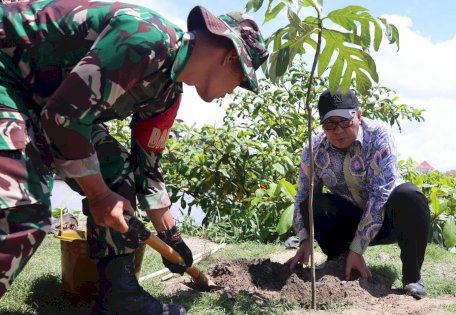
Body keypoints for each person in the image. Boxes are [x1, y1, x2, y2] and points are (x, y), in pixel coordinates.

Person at [0, 0, 268, 313]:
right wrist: (99, 196)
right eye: (242, 80)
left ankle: (119, 297)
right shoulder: (146, 38)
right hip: (10, 77)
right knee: (24, 210)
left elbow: (147, 169)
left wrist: (172, 239)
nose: (235, 90)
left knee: (118, 170)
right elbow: (63, 118)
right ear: (230, 56)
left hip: (46, 103)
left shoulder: (167, 95)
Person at [287, 89, 431, 299]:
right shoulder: (314, 147)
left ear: (359, 115)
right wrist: (305, 238)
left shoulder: (378, 135)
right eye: (330, 124)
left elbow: (381, 195)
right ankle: (340, 259)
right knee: (311, 203)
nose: (338, 130)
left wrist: (358, 248)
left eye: (345, 121)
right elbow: (303, 195)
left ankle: (412, 277)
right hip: (350, 218)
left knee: (410, 196)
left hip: (388, 219)